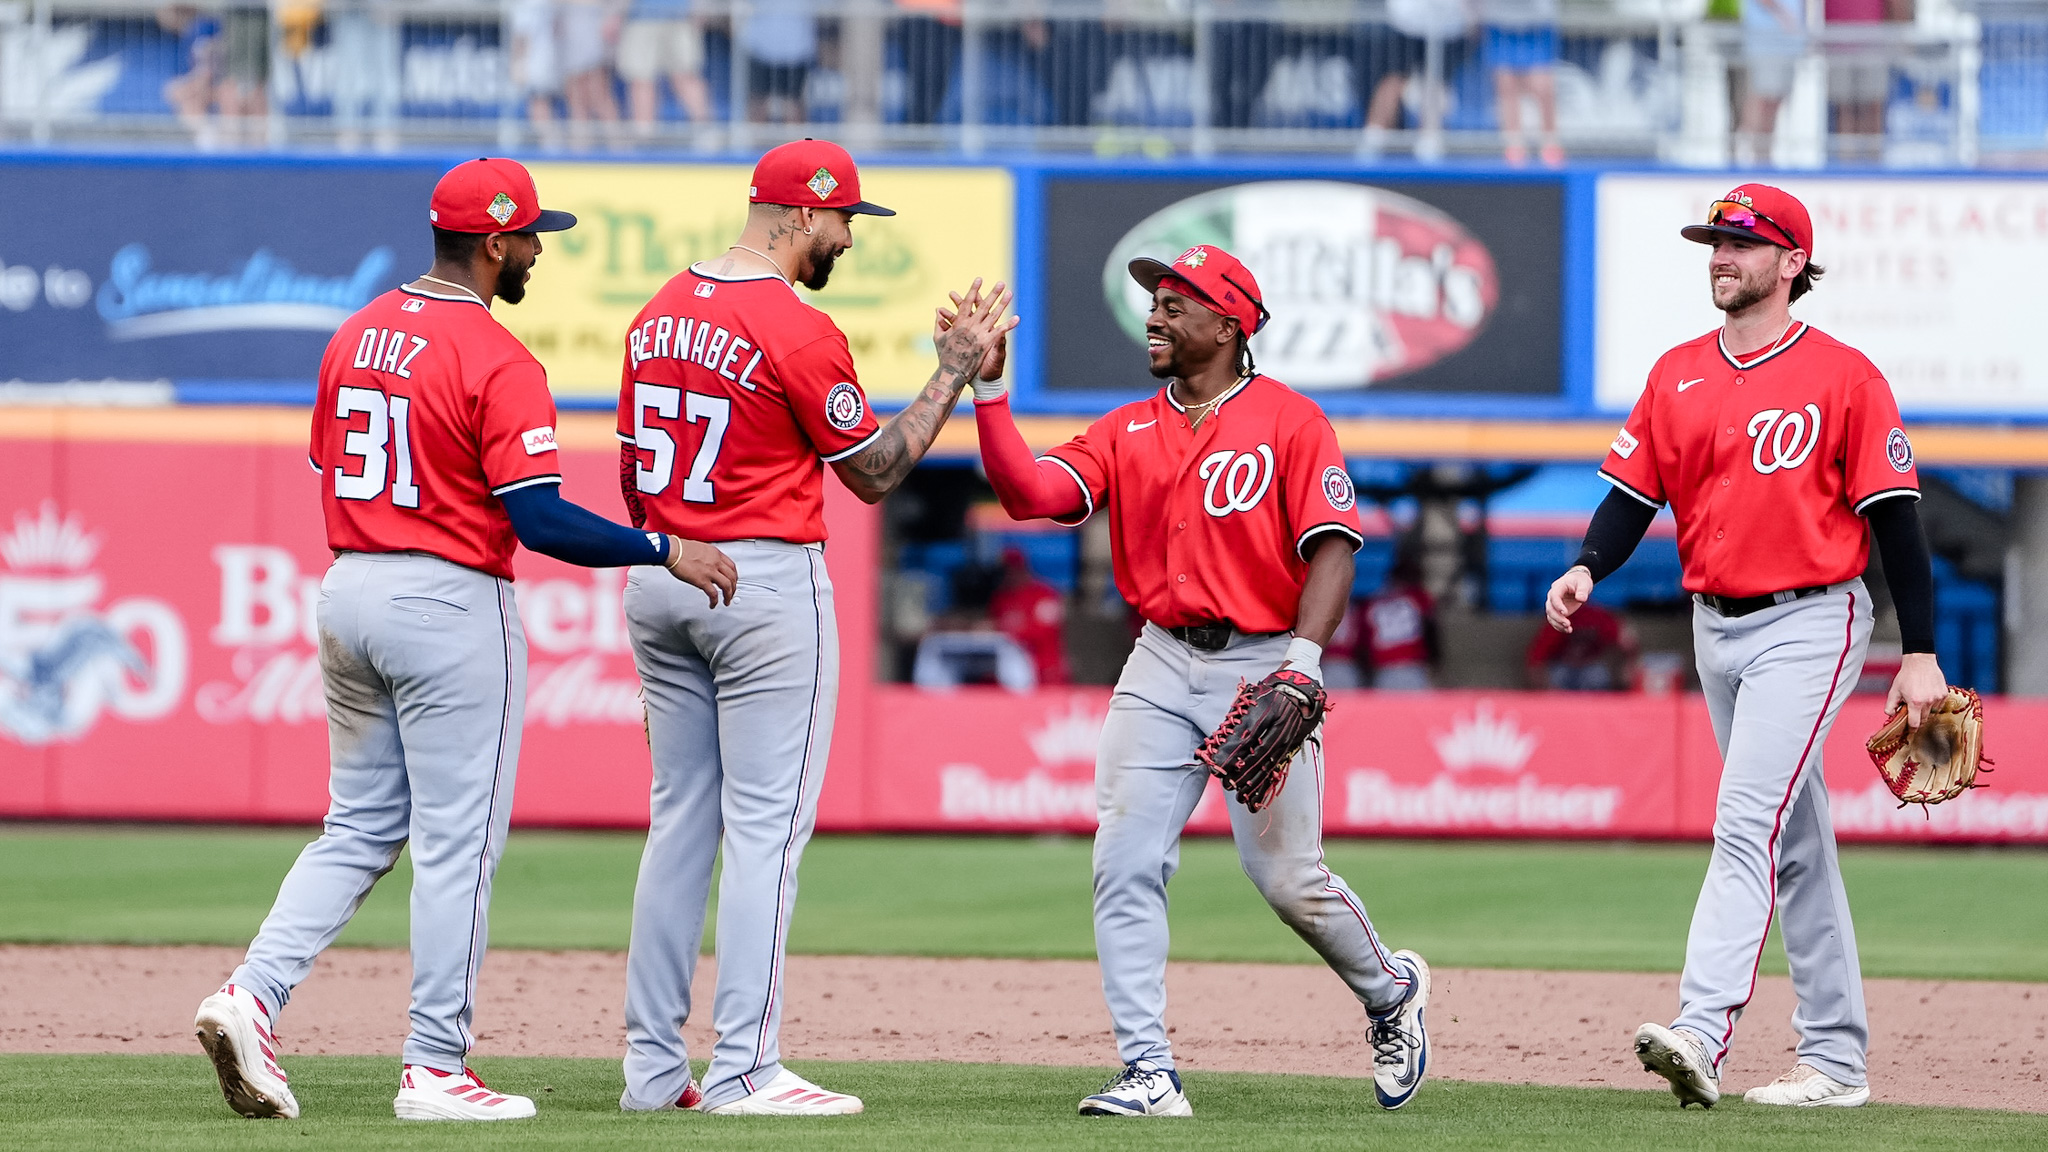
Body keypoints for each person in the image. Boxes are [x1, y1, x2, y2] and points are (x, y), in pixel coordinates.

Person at [191, 158, 733, 1123]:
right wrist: (662, 547)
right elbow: (540, 518)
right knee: (458, 845)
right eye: (530, 236)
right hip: (445, 602)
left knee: (357, 827)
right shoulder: (498, 357)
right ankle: (435, 1065)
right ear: (493, 242)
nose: (536, 251)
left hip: (349, 589)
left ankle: (252, 994)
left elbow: (333, 459)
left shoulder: (355, 332)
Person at [968, 244, 1431, 1117]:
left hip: (1264, 662)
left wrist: (1302, 662)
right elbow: (1031, 495)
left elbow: (1332, 546)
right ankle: (1150, 1070)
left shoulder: (1292, 423)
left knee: (1288, 879)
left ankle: (1390, 992)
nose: (1155, 314)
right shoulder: (1125, 428)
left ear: (1228, 323)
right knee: (1125, 859)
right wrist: (989, 394)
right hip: (1160, 658)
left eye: (1177, 302)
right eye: (1155, 300)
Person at [615, 138, 1014, 1117]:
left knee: (678, 826)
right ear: (800, 215)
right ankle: (748, 1067)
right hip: (760, 580)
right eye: (842, 220)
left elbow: (629, 470)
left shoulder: (657, 309)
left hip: (662, 567)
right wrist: (955, 372)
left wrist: (667, 552)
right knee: (765, 829)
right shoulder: (794, 325)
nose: (846, 238)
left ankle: (652, 1071)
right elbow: (872, 473)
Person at [1545, 183, 1943, 1109]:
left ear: (1791, 263)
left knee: (1744, 821)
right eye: (1714, 241)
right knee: (1794, 841)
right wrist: (1586, 568)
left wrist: (1919, 649)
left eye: (1741, 242)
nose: (1721, 255)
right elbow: (1632, 494)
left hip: (1813, 619)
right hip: (1713, 626)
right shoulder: (1677, 370)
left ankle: (1701, 1029)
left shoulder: (1846, 376)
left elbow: (1899, 521)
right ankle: (1838, 1062)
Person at [619, 0, 715, 146]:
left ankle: (706, 133)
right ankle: (643, 140)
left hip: (676, 17)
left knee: (685, 77)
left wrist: (700, 9)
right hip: (645, 17)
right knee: (642, 79)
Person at [1477, 0, 1562, 166]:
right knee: (1506, 86)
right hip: (1501, 22)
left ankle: (1550, 143)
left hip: (1536, 24)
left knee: (1542, 87)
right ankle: (1514, 145)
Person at [1738, 0, 1807, 166]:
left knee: (1775, 101)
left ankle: (1765, 155)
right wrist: (1784, 16)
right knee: (1761, 99)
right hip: (1766, 41)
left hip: (1789, 43)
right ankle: (1752, 155)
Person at [990, 545, 1071, 686]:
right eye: (1006, 570)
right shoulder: (1001, 598)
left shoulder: (1044, 594)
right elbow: (995, 629)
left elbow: (1045, 630)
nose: (1009, 574)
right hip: (1009, 666)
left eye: (1013, 569)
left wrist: (1013, 630)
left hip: (1044, 666)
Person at [1359, 552, 1438, 690]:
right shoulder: (1417, 597)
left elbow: (1364, 643)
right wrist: (1435, 658)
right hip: (1412, 666)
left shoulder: (1372, 604)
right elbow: (1430, 628)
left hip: (1385, 670)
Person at [1524, 596, 1634, 690]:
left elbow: (1627, 644)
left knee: (1598, 675)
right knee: (1558, 676)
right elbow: (1536, 658)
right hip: (1564, 667)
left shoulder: (1597, 616)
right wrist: (1543, 691)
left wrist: (1626, 670)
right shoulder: (1560, 618)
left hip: (1590, 667)